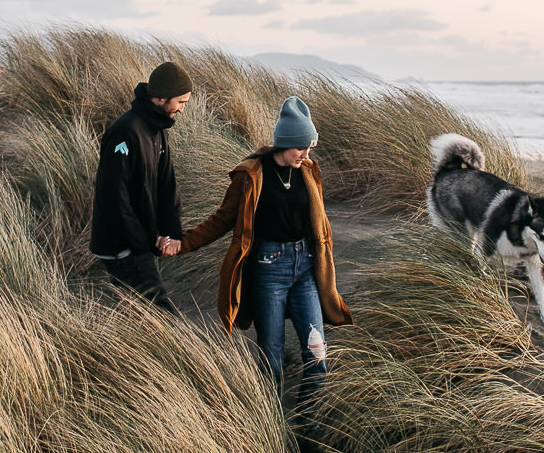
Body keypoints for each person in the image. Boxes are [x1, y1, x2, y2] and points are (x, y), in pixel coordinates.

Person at [177, 96, 352, 422]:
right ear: (285, 142)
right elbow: (220, 220)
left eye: (309, 148)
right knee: (270, 360)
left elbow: (317, 219)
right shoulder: (251, 176)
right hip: (268, 271)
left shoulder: (308, 171)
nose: (306, 154)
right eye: (302, 147)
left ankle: (305, 425)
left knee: (318, 357)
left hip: (305, 271)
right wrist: (182, 244)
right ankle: (269, 428)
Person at [90, 60, 192, 313]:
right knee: (161, 316)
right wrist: (145, 241)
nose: (181, 110)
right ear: (162, 98)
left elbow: (167, 185)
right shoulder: (125, 131)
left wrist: (171, 234)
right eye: (180, 102)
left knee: (137, 314)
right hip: (120, 245)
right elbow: (116, 199)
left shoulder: (157, 130)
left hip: (137, 242)